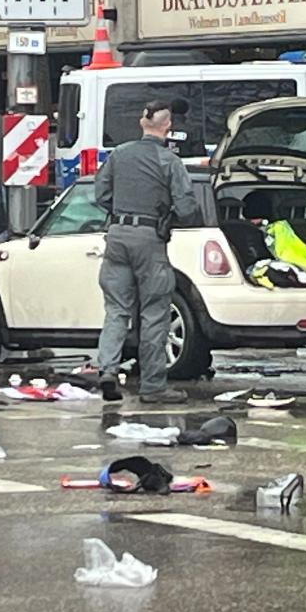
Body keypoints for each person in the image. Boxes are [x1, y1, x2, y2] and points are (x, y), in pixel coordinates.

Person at [94, 100, 199, 405]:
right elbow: (187, 207)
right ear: (168, 127)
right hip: (149, 239)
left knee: (116, 310)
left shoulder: (119, 154)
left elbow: (101, 193)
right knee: (154, 313)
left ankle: (108, 370)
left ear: (142, 123)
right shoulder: (169, 161)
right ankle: (153, 386)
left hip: (116, 236)